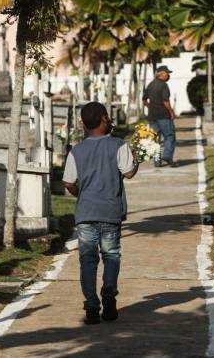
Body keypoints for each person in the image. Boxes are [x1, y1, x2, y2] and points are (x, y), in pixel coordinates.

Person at [62, 102, 139, 325]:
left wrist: (81, 194)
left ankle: (91, 307)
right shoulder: (118, 145)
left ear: (84, 124)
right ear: (105, 119)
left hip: (86, 212)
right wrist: (137, 160)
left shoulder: (76, 150)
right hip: (110, 212)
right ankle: (109, 294)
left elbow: (68, 182)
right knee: (111, 255)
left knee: (87, 260)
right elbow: (129, 173)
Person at [143, 65, 177, 167]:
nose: (168, 75)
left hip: (152, 117)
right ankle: (167, 155)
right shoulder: (163, 85)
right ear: (161, 74)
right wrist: (172, 112)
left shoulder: (150, 85)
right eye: (167, 73)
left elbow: (144, 100)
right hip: (163, 116)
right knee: (169, 136)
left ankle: (157, 161)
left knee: (155, 139)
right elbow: (166, 101)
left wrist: (151, 107)